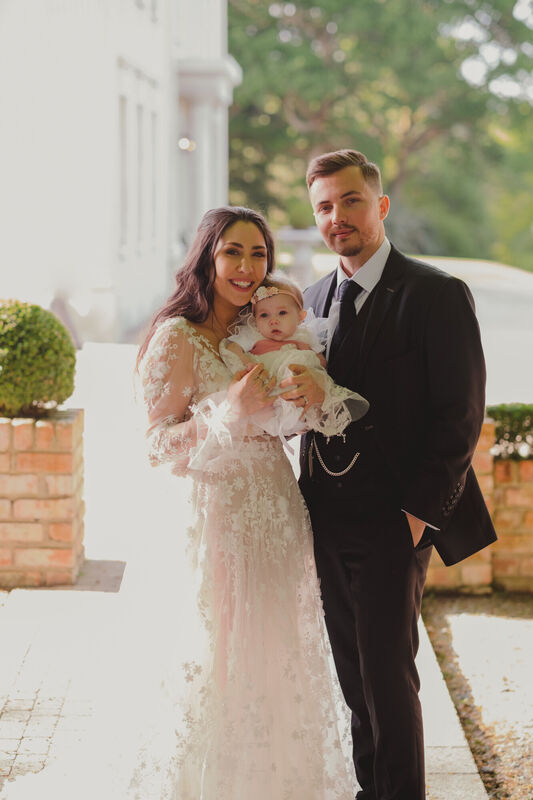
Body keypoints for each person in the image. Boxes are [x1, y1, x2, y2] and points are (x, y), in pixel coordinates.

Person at [280, 149, 497, 800]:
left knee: (387, 674)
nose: (336, 217)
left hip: (394, 520)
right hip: (324, 514)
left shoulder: (435, 295)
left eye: (350, 201)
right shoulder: (309, 302)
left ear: (379, 205)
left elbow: (460, 415)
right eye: (323, 207)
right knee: (351, 674)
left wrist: (417, 518)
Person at [135, 206, 356, 798]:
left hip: (277, 512)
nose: (246, 266)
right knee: (217, 653)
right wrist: (225, 412)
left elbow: (281, 420)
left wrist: (309, 397)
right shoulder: (177, 337)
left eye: (259, 254)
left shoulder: (256, 330)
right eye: (233, 251)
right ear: (207, 257)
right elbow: (154, 446)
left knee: (274, 655)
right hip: (216, 518)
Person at [219, 271, 369, 439]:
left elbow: (321, 362)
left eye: (282, 313)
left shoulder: (304, 336)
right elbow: (231, 348)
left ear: (300, 317)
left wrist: (319, 371)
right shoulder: (254, 335)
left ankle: (303, 418)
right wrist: (247, 362)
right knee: (269, 411)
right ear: (255, 319)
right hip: (269, 386)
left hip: (300, 389)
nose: (273, 320)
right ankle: (278, 421)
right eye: (264, 315)